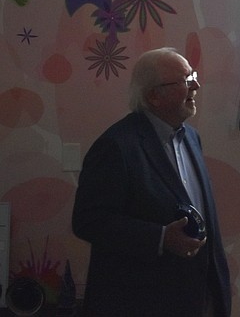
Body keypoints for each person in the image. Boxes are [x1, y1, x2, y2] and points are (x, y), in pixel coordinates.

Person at [72, 47, 231, 316]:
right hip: (142, 301)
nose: (196, 85)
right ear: (154, 96)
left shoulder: (191, 137)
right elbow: (88, 221)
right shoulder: (116, 146)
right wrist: (160, 238)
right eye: (184, 81)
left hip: (196, 298)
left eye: (192, 75)